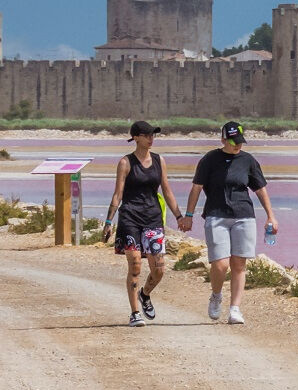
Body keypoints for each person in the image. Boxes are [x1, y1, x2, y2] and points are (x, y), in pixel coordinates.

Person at [180, 120, 278, 325]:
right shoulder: (210, 159)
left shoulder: (248, 161)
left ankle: (235, 309)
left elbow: (260, 189)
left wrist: (271, 215)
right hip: (216, 215)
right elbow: (196, 188)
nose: (237, 144)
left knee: (239, 264)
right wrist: (188, 215)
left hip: (244, 216)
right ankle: (216, 296)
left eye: (240, 141)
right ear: (223, 139)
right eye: (233, 141)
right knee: (220, 264)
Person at [106, 120, 184, 327]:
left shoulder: (159, 160)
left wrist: (179, 216)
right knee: (135, 265)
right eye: (147, 135)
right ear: (136, 137)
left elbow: (167, 190)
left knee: (159, 270)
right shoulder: (126, 162)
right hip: (130, 218)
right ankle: (134, 313)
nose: (151, 138)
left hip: (152, 219)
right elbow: (118, 194)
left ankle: (145, 294)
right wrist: (108, 221)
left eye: (153, 135)